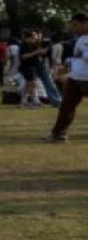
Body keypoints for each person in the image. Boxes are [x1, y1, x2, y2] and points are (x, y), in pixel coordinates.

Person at [46, 12, 88, 143]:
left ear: (85, 23)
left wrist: (83, 54)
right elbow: (77, 57)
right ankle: (58, 134)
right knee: (66, 106)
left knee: (67, 105)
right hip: (76, 77)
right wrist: (67, 66)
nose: (74, 28)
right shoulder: (81, 38)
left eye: (76, 25)